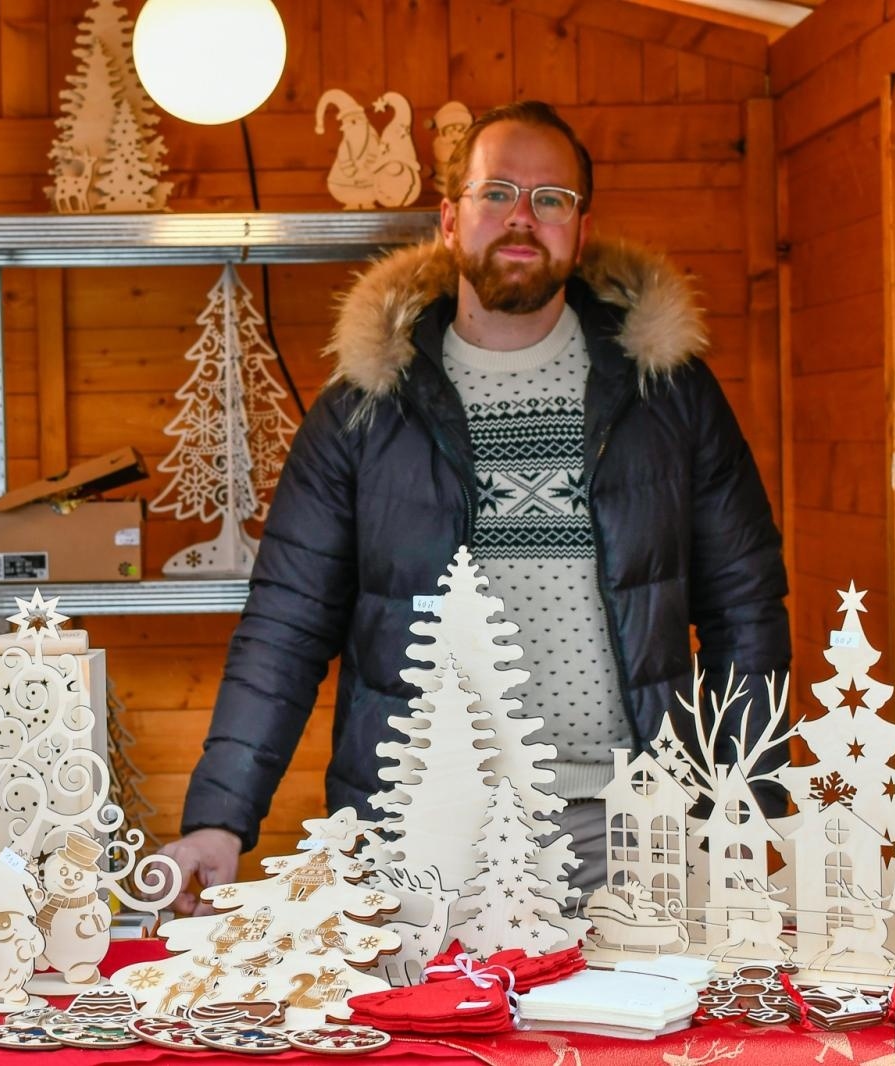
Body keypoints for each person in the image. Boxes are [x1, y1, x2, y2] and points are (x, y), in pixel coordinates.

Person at [161, 100, 789, 914]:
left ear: (581, 228)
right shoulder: (364, 406)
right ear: (450, 221)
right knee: (427, 1041)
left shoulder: (667, 393)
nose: (522, 218)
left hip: (628, 831)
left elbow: (746, 609)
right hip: (416, 826)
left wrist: (746, 804)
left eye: (550, 199)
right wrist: (220, 817)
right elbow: (285, 621)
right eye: (497, 193)